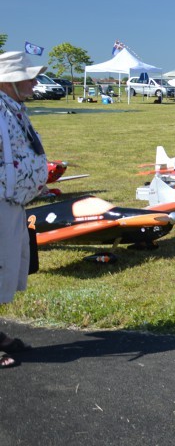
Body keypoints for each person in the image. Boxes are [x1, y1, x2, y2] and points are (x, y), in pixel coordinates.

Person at [0, 52, 49, 368]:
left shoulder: (11, 109)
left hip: (12, 202)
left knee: (5, 266)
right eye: (27, 77)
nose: (34, 82)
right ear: (7, 80)